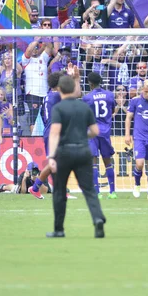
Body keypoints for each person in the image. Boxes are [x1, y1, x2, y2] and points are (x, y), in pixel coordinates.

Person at [46, 75, 106, 238]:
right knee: (89, 189)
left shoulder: (58, 108)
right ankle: (98, 218)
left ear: (59, 90)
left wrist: (51, 157)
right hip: (83, 151)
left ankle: (59, 229)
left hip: (64, 152)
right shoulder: (84, 107)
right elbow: (95, 131)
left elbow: (54, 133)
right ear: (74, 89)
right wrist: (81, 136)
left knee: (59, 191)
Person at [29, 72, 76, 201]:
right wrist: (73, 78)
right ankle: (37, 188)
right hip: (54, 133)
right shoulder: (56, 96)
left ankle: (36, 188)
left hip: (51, 131)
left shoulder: (48, 96)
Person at [83, 72, 117, 200]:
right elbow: (112, 111)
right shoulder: (109, 95)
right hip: (105, 132)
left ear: (90, 83)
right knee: (108, 162)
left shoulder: (87, 98)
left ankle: (97, 193)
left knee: (93, 163)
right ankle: (112, 192)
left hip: (92, 132)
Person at [125, 79, 148, 200]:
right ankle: (137, 184)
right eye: (146, 91)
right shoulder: (135, 101)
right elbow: (128, 118)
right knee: (139, 164)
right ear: (142, 90)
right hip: (139, 138)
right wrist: (127, 134)